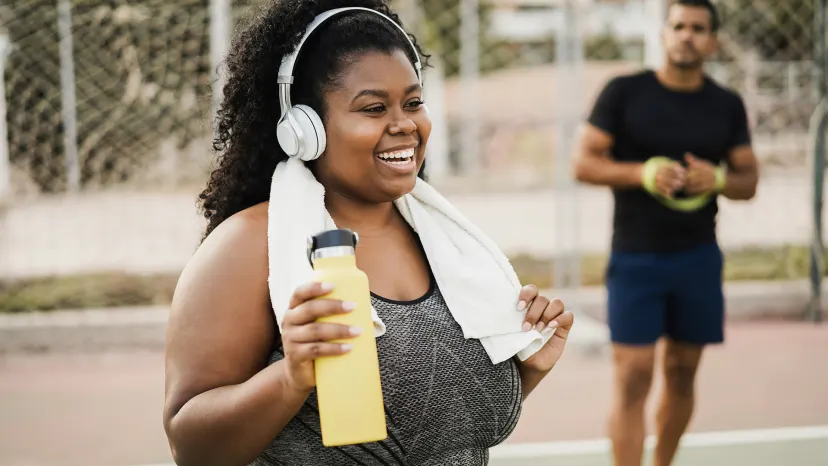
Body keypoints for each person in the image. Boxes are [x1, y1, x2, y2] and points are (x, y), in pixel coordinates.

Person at [162, 1, 575, 465]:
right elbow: (191, 447)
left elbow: (434, 433)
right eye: (374, 108)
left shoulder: (447, 246)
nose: (404, 125)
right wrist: (290, 378)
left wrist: (524, 367)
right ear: (305, 129)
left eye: (414, 103)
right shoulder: (249, 246)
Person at [573, 1, 759, 465]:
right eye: (678, 26)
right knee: (634, 374)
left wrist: (714, 179)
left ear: (712, 41)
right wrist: (643, 173)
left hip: (697, 257)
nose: (687, 35)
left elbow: (748, 181)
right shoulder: (624, 92)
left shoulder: (725, 104)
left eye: (698, 28)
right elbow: (583, 163)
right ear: (664, 34)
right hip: (636, 257)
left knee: (681, 372)